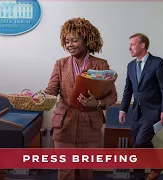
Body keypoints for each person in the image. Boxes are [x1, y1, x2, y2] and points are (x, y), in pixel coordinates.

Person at [44, 17, 117, 180]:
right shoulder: (60, 64)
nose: (69, 44)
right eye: (67, 41)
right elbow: (51, 89)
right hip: (64, 124)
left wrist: (97, 103)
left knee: (86, 171)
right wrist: (42, 96)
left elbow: (112, 96)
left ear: (87, 40)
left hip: (90, 125)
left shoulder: (101, 64)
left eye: (74, 40)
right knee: (65, 171)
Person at [119, 33, 163, 180]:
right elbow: (128, 89)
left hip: (153, 112)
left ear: (142, 45)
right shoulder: (131, 66)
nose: (129, 48)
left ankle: (157, 166)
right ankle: (138, 176)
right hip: (136, 112)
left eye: (132, 44)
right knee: (136, 146)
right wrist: (123, 109)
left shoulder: (158, 63)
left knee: (141, 142)